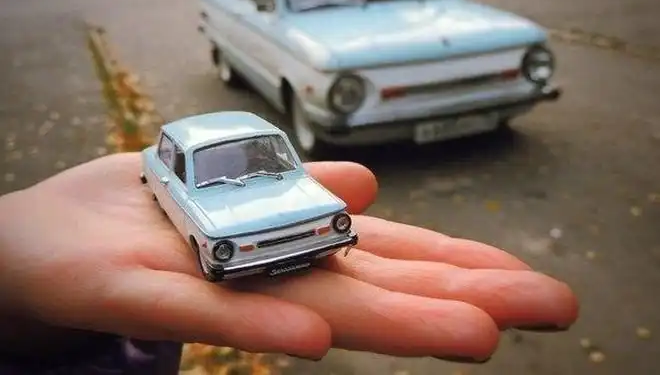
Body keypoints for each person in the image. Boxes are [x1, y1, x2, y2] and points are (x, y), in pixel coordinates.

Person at [0, 153, 579, 374]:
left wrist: (326, 234)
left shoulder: (296, 179)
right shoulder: (171, 172)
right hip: (233, 244)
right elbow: (217, 243)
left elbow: (321, 207)